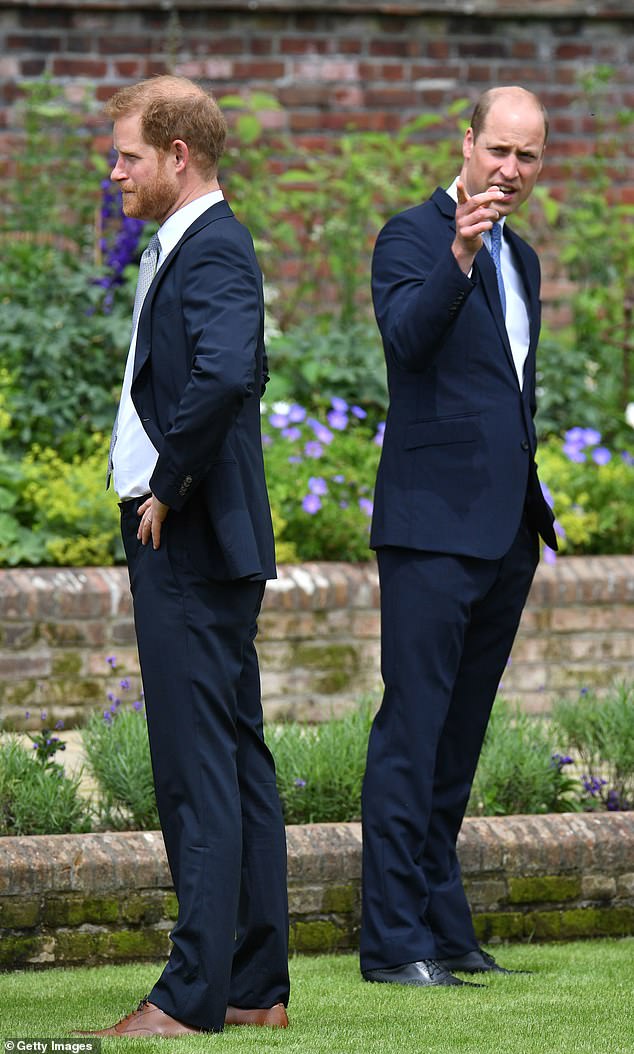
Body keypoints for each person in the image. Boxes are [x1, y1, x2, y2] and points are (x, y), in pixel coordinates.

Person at [77, 76, 290, 1036]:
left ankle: (191, 998)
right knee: (234, 762)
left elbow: (226, 371)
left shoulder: (210, 249)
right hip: (201, 535)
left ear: (178, 156)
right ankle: (253, 989)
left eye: (127, 153)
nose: (113, 168)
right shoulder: (197, 244)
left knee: (195, 769)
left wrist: (166, 486)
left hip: (189, 537)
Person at [360, 86, 557, 988]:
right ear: (466, 141)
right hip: (431, 531)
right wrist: (460, 254)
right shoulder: (412, 235)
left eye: (527, 157)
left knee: (459, 740)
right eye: (498, 151)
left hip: (505, 531)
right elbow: (406, 340)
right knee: (414, 729)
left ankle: (443, 926)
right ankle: (392, 940)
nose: (509, 170)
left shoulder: (527, 261)